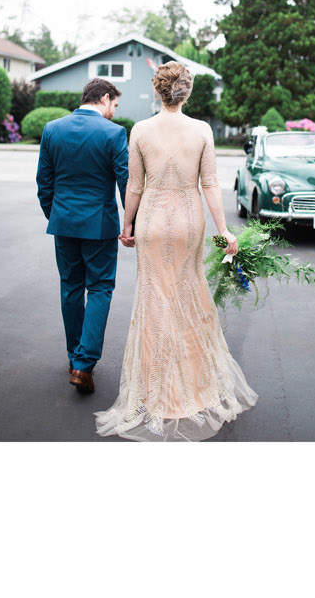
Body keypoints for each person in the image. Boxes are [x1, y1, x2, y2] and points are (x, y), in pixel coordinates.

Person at [95, 62, 255, 441]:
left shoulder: (140, 130)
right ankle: (191, 388)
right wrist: (223, 229)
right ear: (187, 91)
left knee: (155, 300)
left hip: (152, 219)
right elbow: (210, 183)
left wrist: (127, 225)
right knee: (188, 297)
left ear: (157, 91)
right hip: (187, 220)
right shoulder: (201, 130)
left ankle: (156, 390)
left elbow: (134, 185)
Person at [36, 78, 129, 395]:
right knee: (100, 287)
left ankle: (74, 357)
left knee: (71, 287)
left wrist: (56, 214)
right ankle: (84, 363)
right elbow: (125, 182)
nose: (114, 111)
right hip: (99, 225)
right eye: (114, 104)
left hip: (63, 222)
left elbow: (44, 181)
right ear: (104, 98)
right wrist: (131, 222)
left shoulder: (52, 129)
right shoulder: (114, 133)